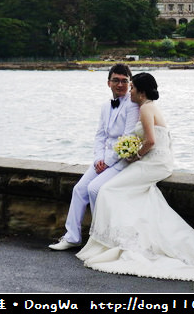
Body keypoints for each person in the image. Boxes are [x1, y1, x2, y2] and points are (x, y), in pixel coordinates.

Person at [75, 72, 194, 282]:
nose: (130, 91)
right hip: (158, 161)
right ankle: (131, 236)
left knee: (108, 190)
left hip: (154, 162)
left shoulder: (145, 108)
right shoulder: (151, 106)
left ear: (141, 92)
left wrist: (135, 156)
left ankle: (117, 242)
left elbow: (151, 141)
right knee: (140, 196)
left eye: (132, 87)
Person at [49, 63, 140, 250]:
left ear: (130, 83)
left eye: (124, 81)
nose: (120, 84)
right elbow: (100, 136)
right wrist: (98, 159)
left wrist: (107, 162)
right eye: (116, 80)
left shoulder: (133, 105)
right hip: (102, 159)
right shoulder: (105, 106)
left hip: (121, 161)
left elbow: (129, 136)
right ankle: (72, 237)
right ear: (109, 83)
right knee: (79, 189)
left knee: (95, 189)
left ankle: (100, 239)